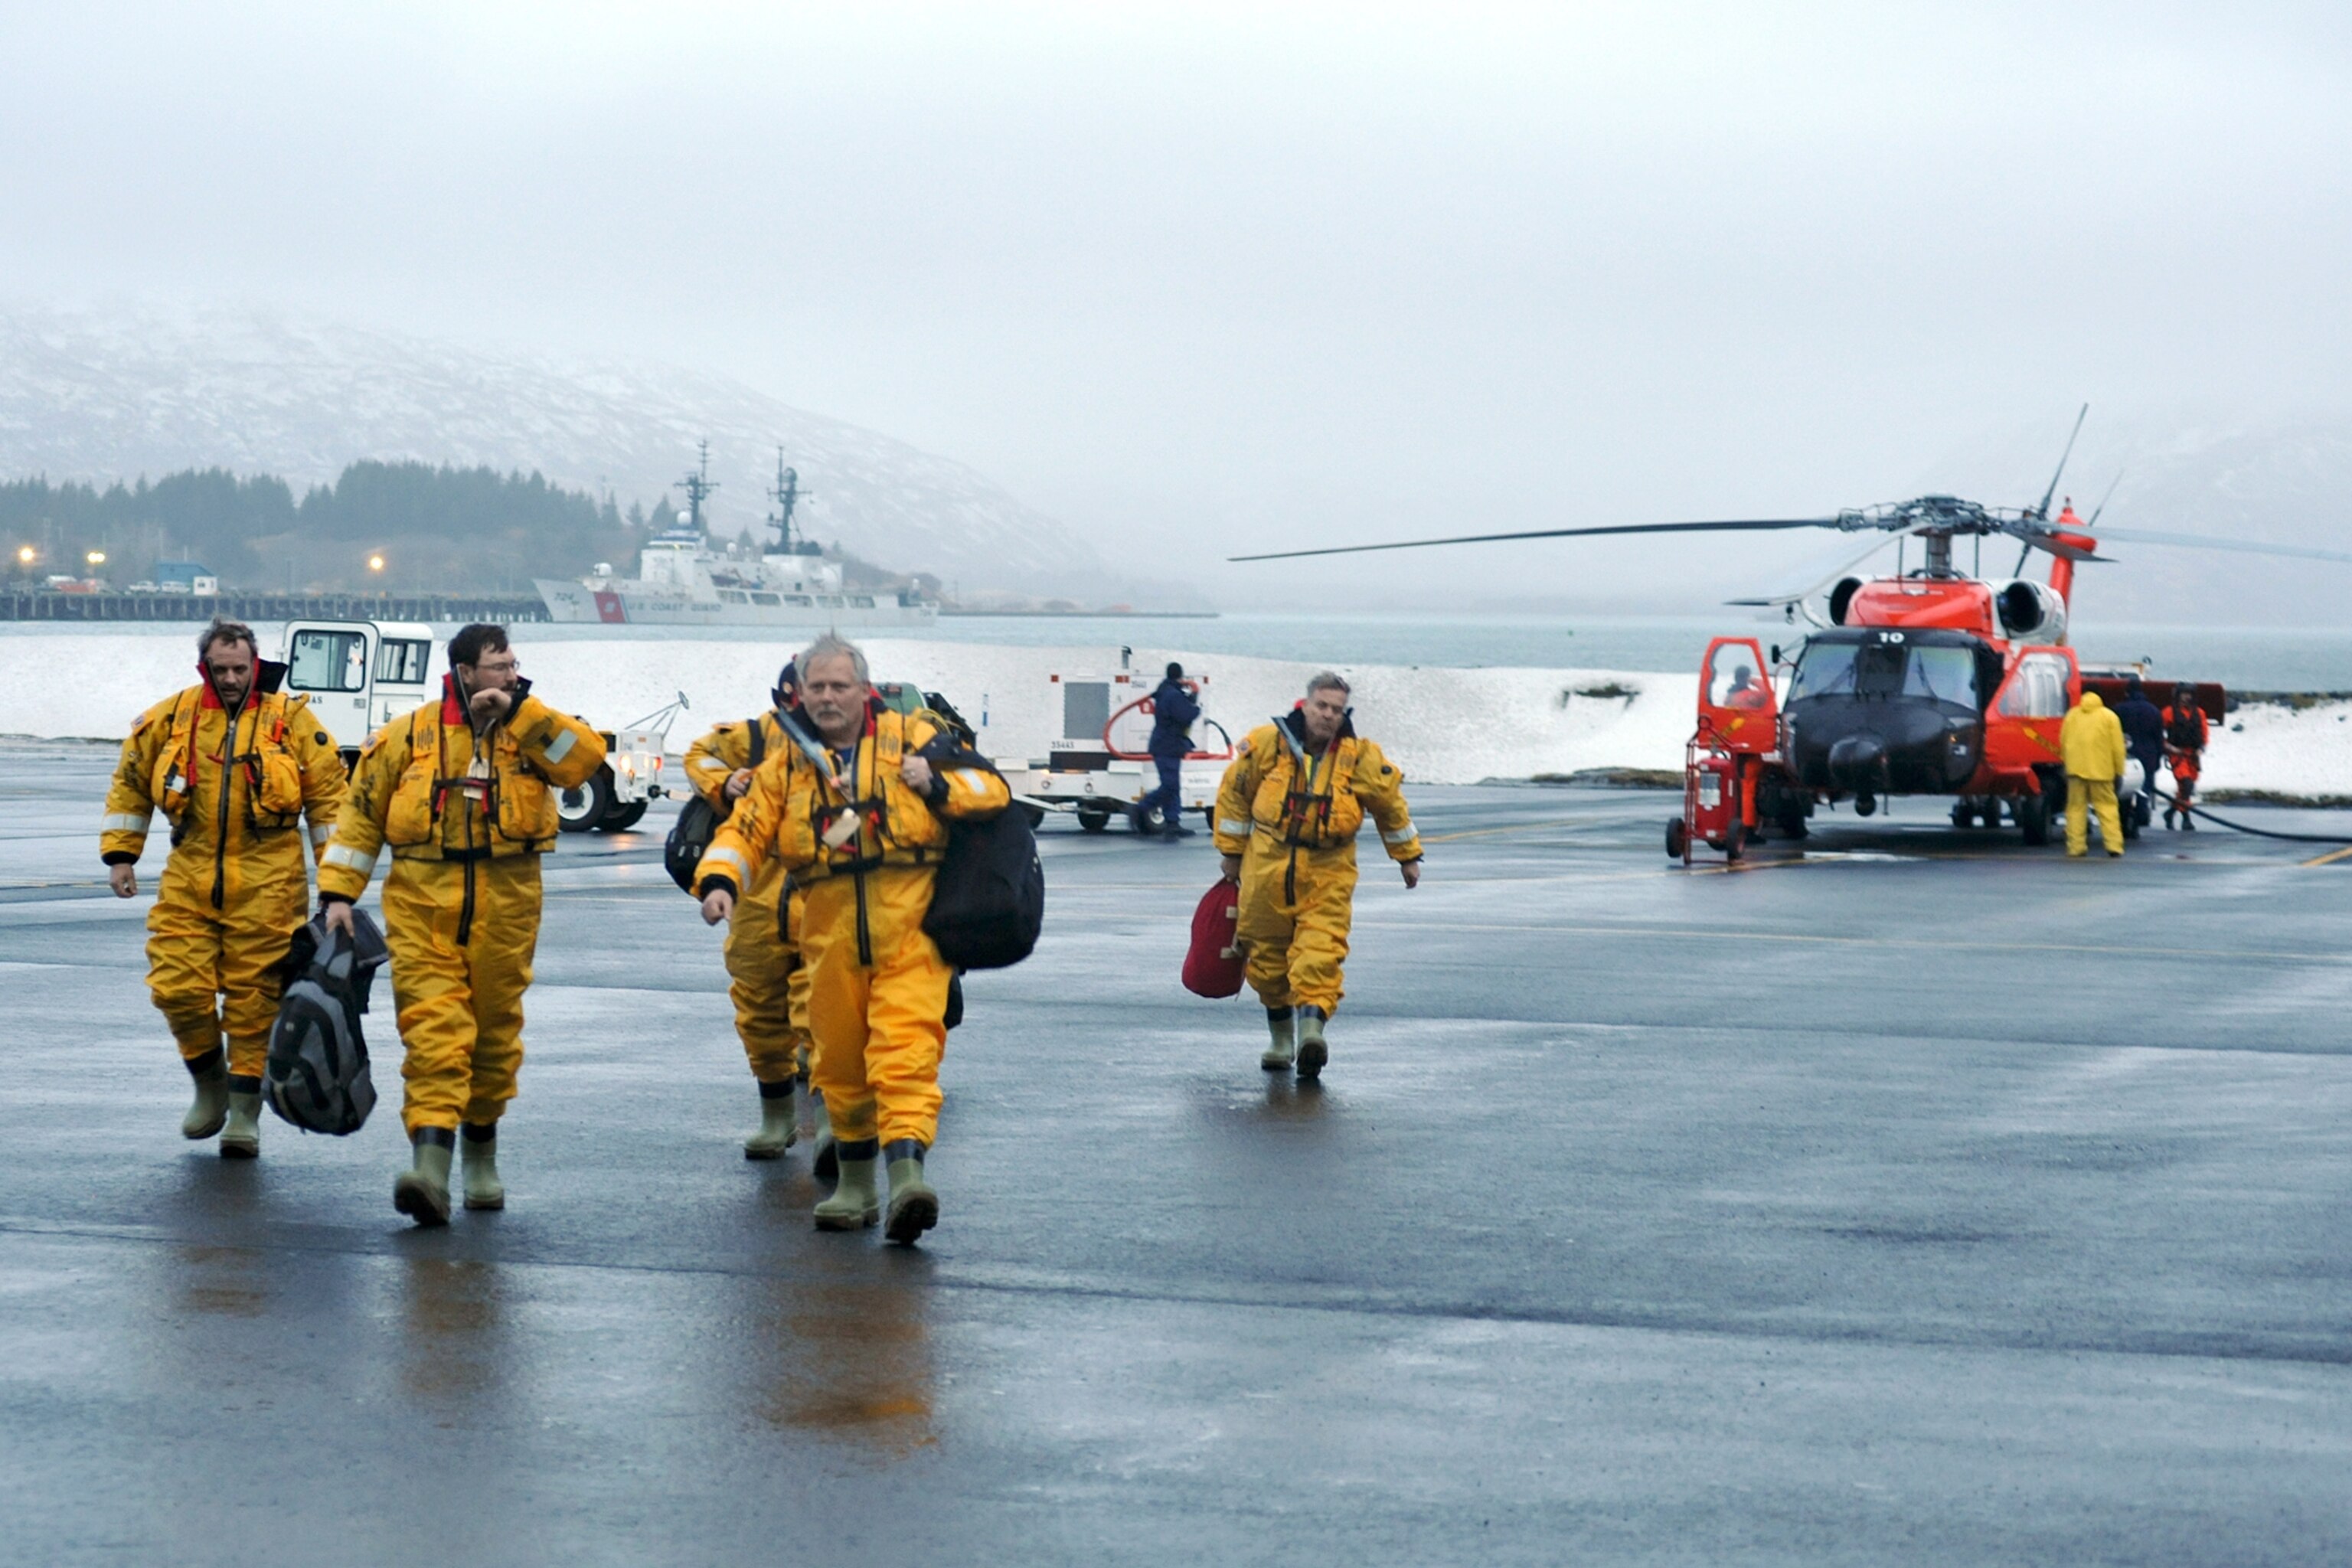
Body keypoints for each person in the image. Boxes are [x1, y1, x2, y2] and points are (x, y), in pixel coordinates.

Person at [695, 633, 1010, 1244]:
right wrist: (720, 881)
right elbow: (748, 829)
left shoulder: (915, 737)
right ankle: (857, 1187)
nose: (829, 697)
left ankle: (909, 1178)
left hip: (911, 925)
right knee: (838, 1058)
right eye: (818, 687)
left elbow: (992, 790)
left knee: (905, 1052)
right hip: (829, 926)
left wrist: (938, 783)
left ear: (865, 690)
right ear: (800, 691)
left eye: (841, 686)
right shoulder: (785, 760)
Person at [318, 624, 606, 1225]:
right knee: (433, 1032)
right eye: (499, 666)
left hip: (508, 904)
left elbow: (582, 765)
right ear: (465, 671)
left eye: (513, 664)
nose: (510, 674)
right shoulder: (409, 737)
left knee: (494, 1036)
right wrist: (339, 895)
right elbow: (360, 817)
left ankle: (481, 1156)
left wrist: (521, 713)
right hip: (423, 904)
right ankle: (429, 1166)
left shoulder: (534, 730)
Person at [100, 618, 348, 1157]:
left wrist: (337, 889)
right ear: (204, 667)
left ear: (256, 665)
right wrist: (122, 854)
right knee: (176, 988)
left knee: (253, 1003)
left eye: (241, 668)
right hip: (190, 876)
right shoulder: (171, 718)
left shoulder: (293, 723)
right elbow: (131, 782)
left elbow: (330, 807)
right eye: (222, 669)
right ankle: (208, 1084)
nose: (232, 678)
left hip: (270, 883)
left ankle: (243, 1113)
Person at [1214, 672, 1421, 1080]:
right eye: (1322, 706)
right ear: (1305, 705)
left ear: (1344, 714)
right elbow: (1235, 794)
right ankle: (1280, 1041)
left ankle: (1312, 1034)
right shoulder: (1266, 745)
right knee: (1267, 957)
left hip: (1329, 869)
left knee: (1321, 950)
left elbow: (1389, 804)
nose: (1328, 716)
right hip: (1266, 863)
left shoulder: (1360, 756)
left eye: (1336, 710)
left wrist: (1407, 857)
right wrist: (1231, 854)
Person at [682, 660, 818, 1160]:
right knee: (758, 1010)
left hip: (820, 890)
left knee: (822, 1011)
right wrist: (726, 782)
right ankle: (777, 1118)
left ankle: (829, 1125)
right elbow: (699, 754)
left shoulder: (851, 746)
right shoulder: (757, 736)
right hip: (758, 892)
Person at [1135, 661, 1200, 840]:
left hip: (1166, 745)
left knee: (1173, 785)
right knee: (1170, 785)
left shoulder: (1166, 691)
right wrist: (1195, 703)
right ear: (1180, 676)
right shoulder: (1173, 695)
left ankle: (1173, 823)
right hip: (1168, 746)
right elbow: (1186, 715)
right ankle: (1142, 807)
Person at [2059, 688, 2127, 859]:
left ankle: (2076, 848)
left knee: (2075, 809)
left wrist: (2067, 764)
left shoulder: (2072, 716)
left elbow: (2063, 741)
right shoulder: (2109, 717)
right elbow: (2118, 748)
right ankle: (2114, 846)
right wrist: (2119, 770)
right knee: (2107, 808)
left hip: (2075, 771)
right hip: (2102, 772)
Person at [2115, 677, 2164, 827]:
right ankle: (2141, 818)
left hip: (2127, 756)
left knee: (2125, 790)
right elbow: (2159, 738)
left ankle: (2124, 821)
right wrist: (2157, 759)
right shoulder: (2154, 711)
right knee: (2144, 791)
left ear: (2127, 692)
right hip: (2148, 756)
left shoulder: (2119, 710)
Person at [2162, 684, 2210, 831]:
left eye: (2189, 694)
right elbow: (2159, 733)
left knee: (2186, 788)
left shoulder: (2200, 713)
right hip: (2178, 756)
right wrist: (2170, 748)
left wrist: (2201, 749)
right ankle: (2186, 819)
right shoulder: (2168, 712)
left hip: (2193, 756)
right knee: (2186, 784)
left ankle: (2170, 813)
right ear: (2178, 695)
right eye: (2184, 694)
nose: (2186, 697)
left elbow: (2205, 734)